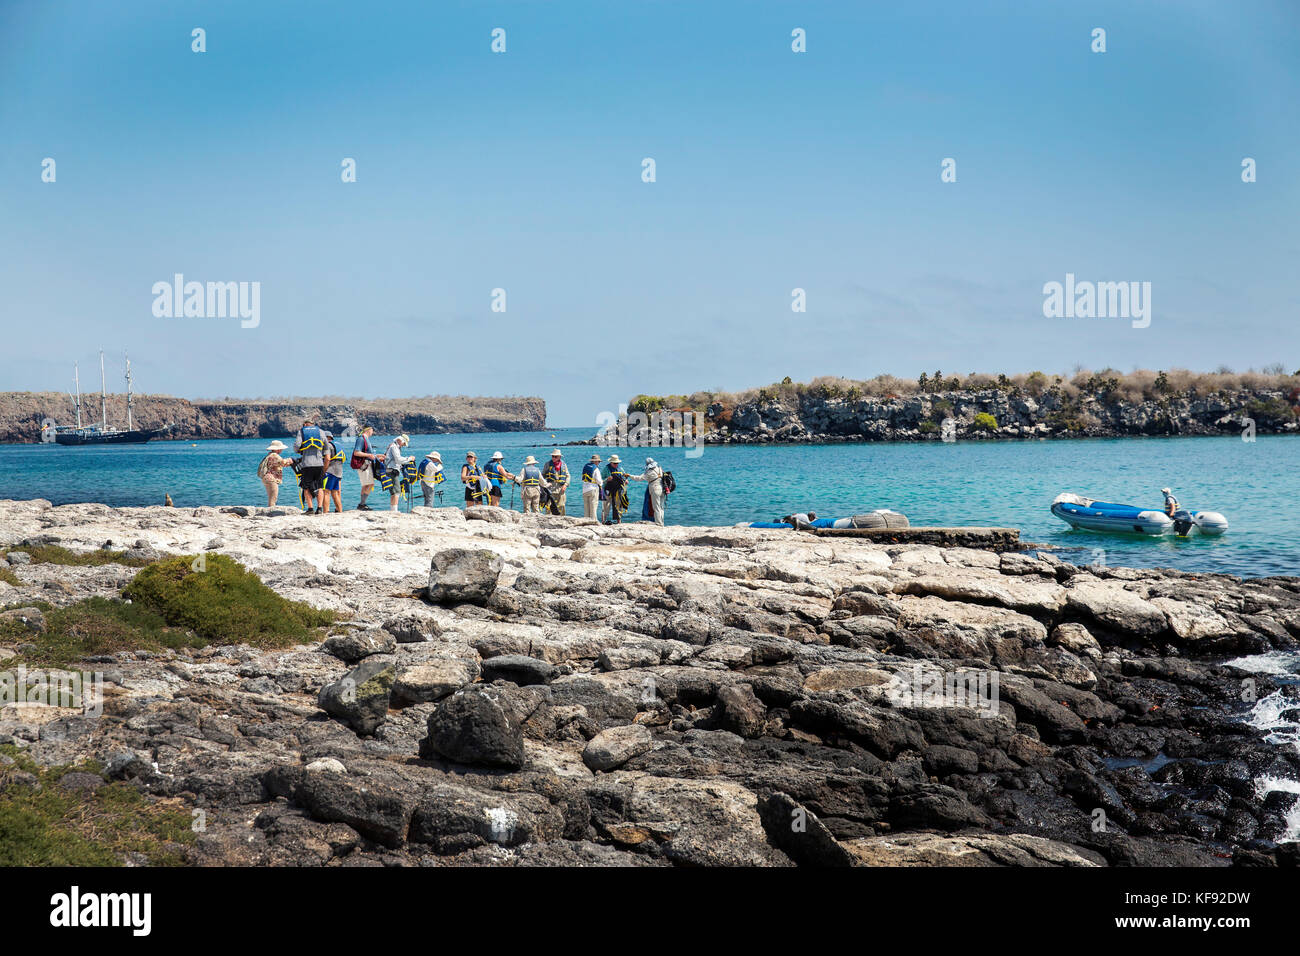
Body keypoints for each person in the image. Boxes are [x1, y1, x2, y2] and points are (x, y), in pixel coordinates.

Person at [294, 418, 327, 514]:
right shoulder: (321, 431)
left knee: (306, 487)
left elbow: (297, 445)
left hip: (307, 464)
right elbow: (326, 446)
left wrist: (299, 451)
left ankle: (310, 509)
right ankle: (320, 508)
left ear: (305, 425)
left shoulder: (302, 432)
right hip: (319, 463)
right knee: (320, 486)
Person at [351, 425, 382, 510]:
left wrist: (377, 456)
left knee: (366, 484)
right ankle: (362, 504)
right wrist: (369, 455)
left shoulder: (365, 439)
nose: (373, 432)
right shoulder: (361, 439)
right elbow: (356, 452)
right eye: (373, 430)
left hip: (367, 464)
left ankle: (362, 504)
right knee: (369, 484)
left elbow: (367, 453)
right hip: (364, 465)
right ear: (369, 429)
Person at [630, 456, 666, 526]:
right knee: (661, 507)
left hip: (655, 489)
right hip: (662, 488)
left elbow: (639, 478)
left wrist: (630, 476)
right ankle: (662, 522)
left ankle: (659, 523)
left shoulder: (649, 472)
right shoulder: (659, 469)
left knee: (656, 507)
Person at [257, 440, 293, 507]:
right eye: (281, 448)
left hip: (266, 478)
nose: (282, 450)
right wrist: (291, 460)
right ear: (278, 449)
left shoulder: (270, 455)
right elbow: (283, 462)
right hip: (271, 479)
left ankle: (270, 510)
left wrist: (288, 463)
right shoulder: (275, 455)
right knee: (273, 498)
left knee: (271, 497)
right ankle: (271, 512)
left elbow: (280, 464)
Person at [383, 434, 412, 511]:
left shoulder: (392, 446)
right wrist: (409, 458)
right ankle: (394, 510)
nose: (403, 445)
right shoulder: (394, 447)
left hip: (389, 469)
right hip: (392, 470)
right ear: (400, 440)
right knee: (397, 491)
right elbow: (398, 459)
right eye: (404, 443)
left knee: (393, 492)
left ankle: (392, 509)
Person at [602, 454, 628, 524]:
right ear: (611, 462)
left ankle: (619, 521)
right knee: (606, 506)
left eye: (617, 463)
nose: (616, 464)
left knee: (618, 505)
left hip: (618, 491)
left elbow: (624, 476)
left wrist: (625, 480)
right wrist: (607, 479)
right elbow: (601, 479)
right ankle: (603, 521)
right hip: (608, 490)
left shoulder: (620, 469)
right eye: (615, 463)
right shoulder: (606, 469)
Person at [542, 449, 570, 515]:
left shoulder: (564, 465)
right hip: (550, 488)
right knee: (549, 506)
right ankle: (548, 520)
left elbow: (568, 476)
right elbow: (542, 475)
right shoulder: (547, 464)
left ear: (559, 457)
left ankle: (561, 520)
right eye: (552, 456)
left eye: (555, 456)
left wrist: (565, 485)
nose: (553, 458)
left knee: (561, 505)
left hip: (560, 488)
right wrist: (545, 484)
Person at [323, 432, 345, 513]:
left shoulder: (328, 446)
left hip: (330, 471)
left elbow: (327, 459)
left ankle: (326, 512)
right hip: (339, 472)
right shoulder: (338, 445)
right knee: (335, 493)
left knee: (326, 492)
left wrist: (323, 471)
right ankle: (340, 511)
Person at [581, 454, 603, 520]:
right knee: (593, 506)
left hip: (585, 489)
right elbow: (599, 481)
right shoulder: (596, 469)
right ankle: (593, 521)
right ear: (596, 461)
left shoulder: (585, 467)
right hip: (593, 489)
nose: (599, 463)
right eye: (598, 461)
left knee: (586, 507)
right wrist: (601, 484)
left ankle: (586, 520)